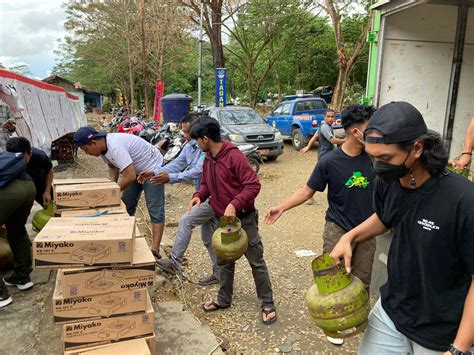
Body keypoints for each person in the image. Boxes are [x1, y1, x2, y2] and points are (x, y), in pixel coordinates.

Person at [330, 101, 474, 354]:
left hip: (440, 331)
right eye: (372, 157)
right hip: (392, 311)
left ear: (417, 148)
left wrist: (459, 348)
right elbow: (385, 217)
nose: (377, 167)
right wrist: (350, 237)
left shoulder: (463, 200)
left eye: (385, 158)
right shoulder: (389, 180)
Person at [265, 104, 376, 345]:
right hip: (337, 227)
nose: (376, 133)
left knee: (362, 278)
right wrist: (282, 206)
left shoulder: (375, 160)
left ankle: (358, 319)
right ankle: (333, 322)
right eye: (371, 128)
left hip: (368, 230)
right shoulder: (329, 161)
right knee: (333, 279)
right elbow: (307, 191)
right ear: (355, 131)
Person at [189, 117, 277, 324]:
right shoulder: (208, 158)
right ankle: (223, 299)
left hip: (244, 220)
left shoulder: (234, 157)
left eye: (196, 140)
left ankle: (267, 302)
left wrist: (234, 204)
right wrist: (199, 195)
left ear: (205, 138)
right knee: (225, 261)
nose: (196, 144)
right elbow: (207, 184)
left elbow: (253, 185)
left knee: (256, 261)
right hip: (223, 221)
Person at [138, 114, 220, 286]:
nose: (185, 135)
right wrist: (155, 172)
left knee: (187, 220)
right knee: (208, 237)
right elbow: (177, 164)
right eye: (183, 131)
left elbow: (197, 171)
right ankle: (220, 273)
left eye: (187, 132)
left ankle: (175, 262)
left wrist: (170, 178)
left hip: (216, 196)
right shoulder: (190, 146)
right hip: (203, 194)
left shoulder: (209, 148)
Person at [74, 127, 165, 258]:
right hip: (135, 169)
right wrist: (112, 185)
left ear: (93, 143)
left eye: (86, 150)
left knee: (155, 208)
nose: (87, 154)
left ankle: (155, 249)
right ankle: (124, 238)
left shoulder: (115, 146)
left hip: (153, 167)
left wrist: (112, 192)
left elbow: (129, 176)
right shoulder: (103, 149)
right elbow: (112, 166)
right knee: (126, 204)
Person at [0, 150, 36, 307]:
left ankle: (1, 295)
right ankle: (22, 277)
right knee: (17, 230)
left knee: (15, 230)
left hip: (7, 192)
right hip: (28, 186)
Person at [300, 110, 345, 205]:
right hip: (326, 157)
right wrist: (346, 141)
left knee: (324, 177)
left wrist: (308, 147)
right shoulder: (325, 127)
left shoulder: (324, 126)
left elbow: (315, 137)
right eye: (328, 117)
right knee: (319, 178)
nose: (330, 119)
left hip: (327, 157)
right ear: (324, 117)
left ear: (335, 118)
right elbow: (332, 141)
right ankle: (308, 196)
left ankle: (310, 196)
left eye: (332, 117)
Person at [6, 137, 53, 207]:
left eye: (24, 161)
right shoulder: (5, 160)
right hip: (19, 186)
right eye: (16, 160)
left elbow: (49, 170)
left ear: (30, 153)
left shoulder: (39, 156)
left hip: (38, 182)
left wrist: (47, 191)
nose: (20, 163)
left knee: (48, 203)